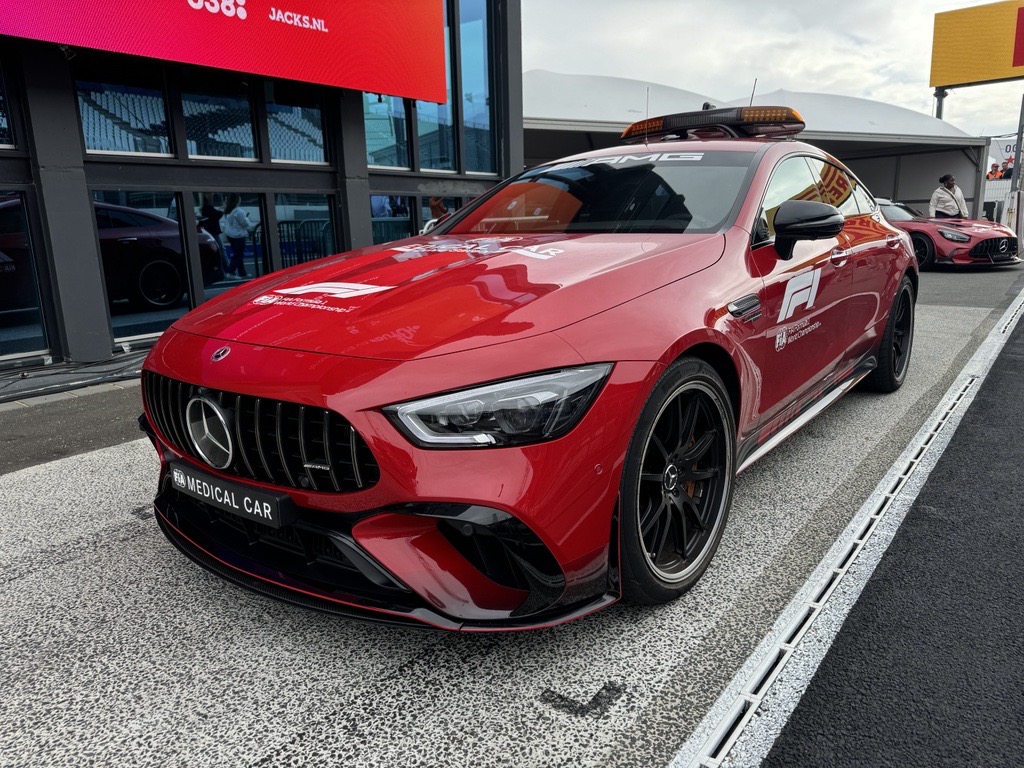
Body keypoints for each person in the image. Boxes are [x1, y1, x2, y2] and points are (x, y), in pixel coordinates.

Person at [221, 193, 255, 277]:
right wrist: (253, 225)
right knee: (238, 255)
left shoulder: (228, 210)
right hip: (238, 236)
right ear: (237, 200)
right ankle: (231, 272)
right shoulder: (239, 212)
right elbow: (246, 224)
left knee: (238, 254)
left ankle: (242, 272)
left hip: (230, 235)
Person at [198, 194, 226, 271]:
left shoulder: (205, 207)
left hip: (210, 231)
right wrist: (222, 209)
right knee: (221, 250)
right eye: (211, 194)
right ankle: (227, 269)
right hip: (213, 231)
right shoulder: (208, 207)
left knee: (220, 249)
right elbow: (217, 215)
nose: (213, 196)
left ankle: (224, 268)